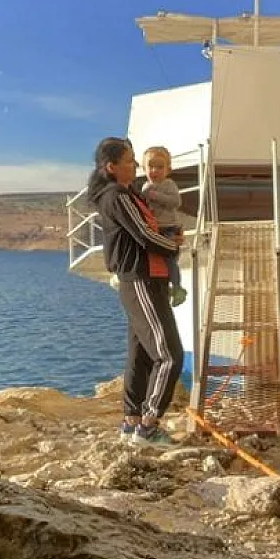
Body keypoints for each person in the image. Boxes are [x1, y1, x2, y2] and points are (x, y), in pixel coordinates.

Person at [87, 137, 183, 445]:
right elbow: (143, 235)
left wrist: (167, 238)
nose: (136, 166)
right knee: (170, 356)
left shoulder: (126, 194)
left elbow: (147, 230)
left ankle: (131, 422)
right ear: (112, 167)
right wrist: (173, 246)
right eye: (130, 161)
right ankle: (148, 425)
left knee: (140, 354)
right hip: (141, 278)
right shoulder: (116, 196)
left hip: (147, 277)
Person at [137, 146, 188, 308]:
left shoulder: (169, 184)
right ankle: (163, 287)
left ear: (168, 170)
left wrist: (156, 196)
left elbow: (176, 202)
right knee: (155, 261)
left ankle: (177, 287)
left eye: (159, 167)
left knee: (170, 259)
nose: (155, 171)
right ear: (144, 169)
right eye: (151, 166)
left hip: (168, 227)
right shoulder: (145, 187)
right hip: (154, 229)